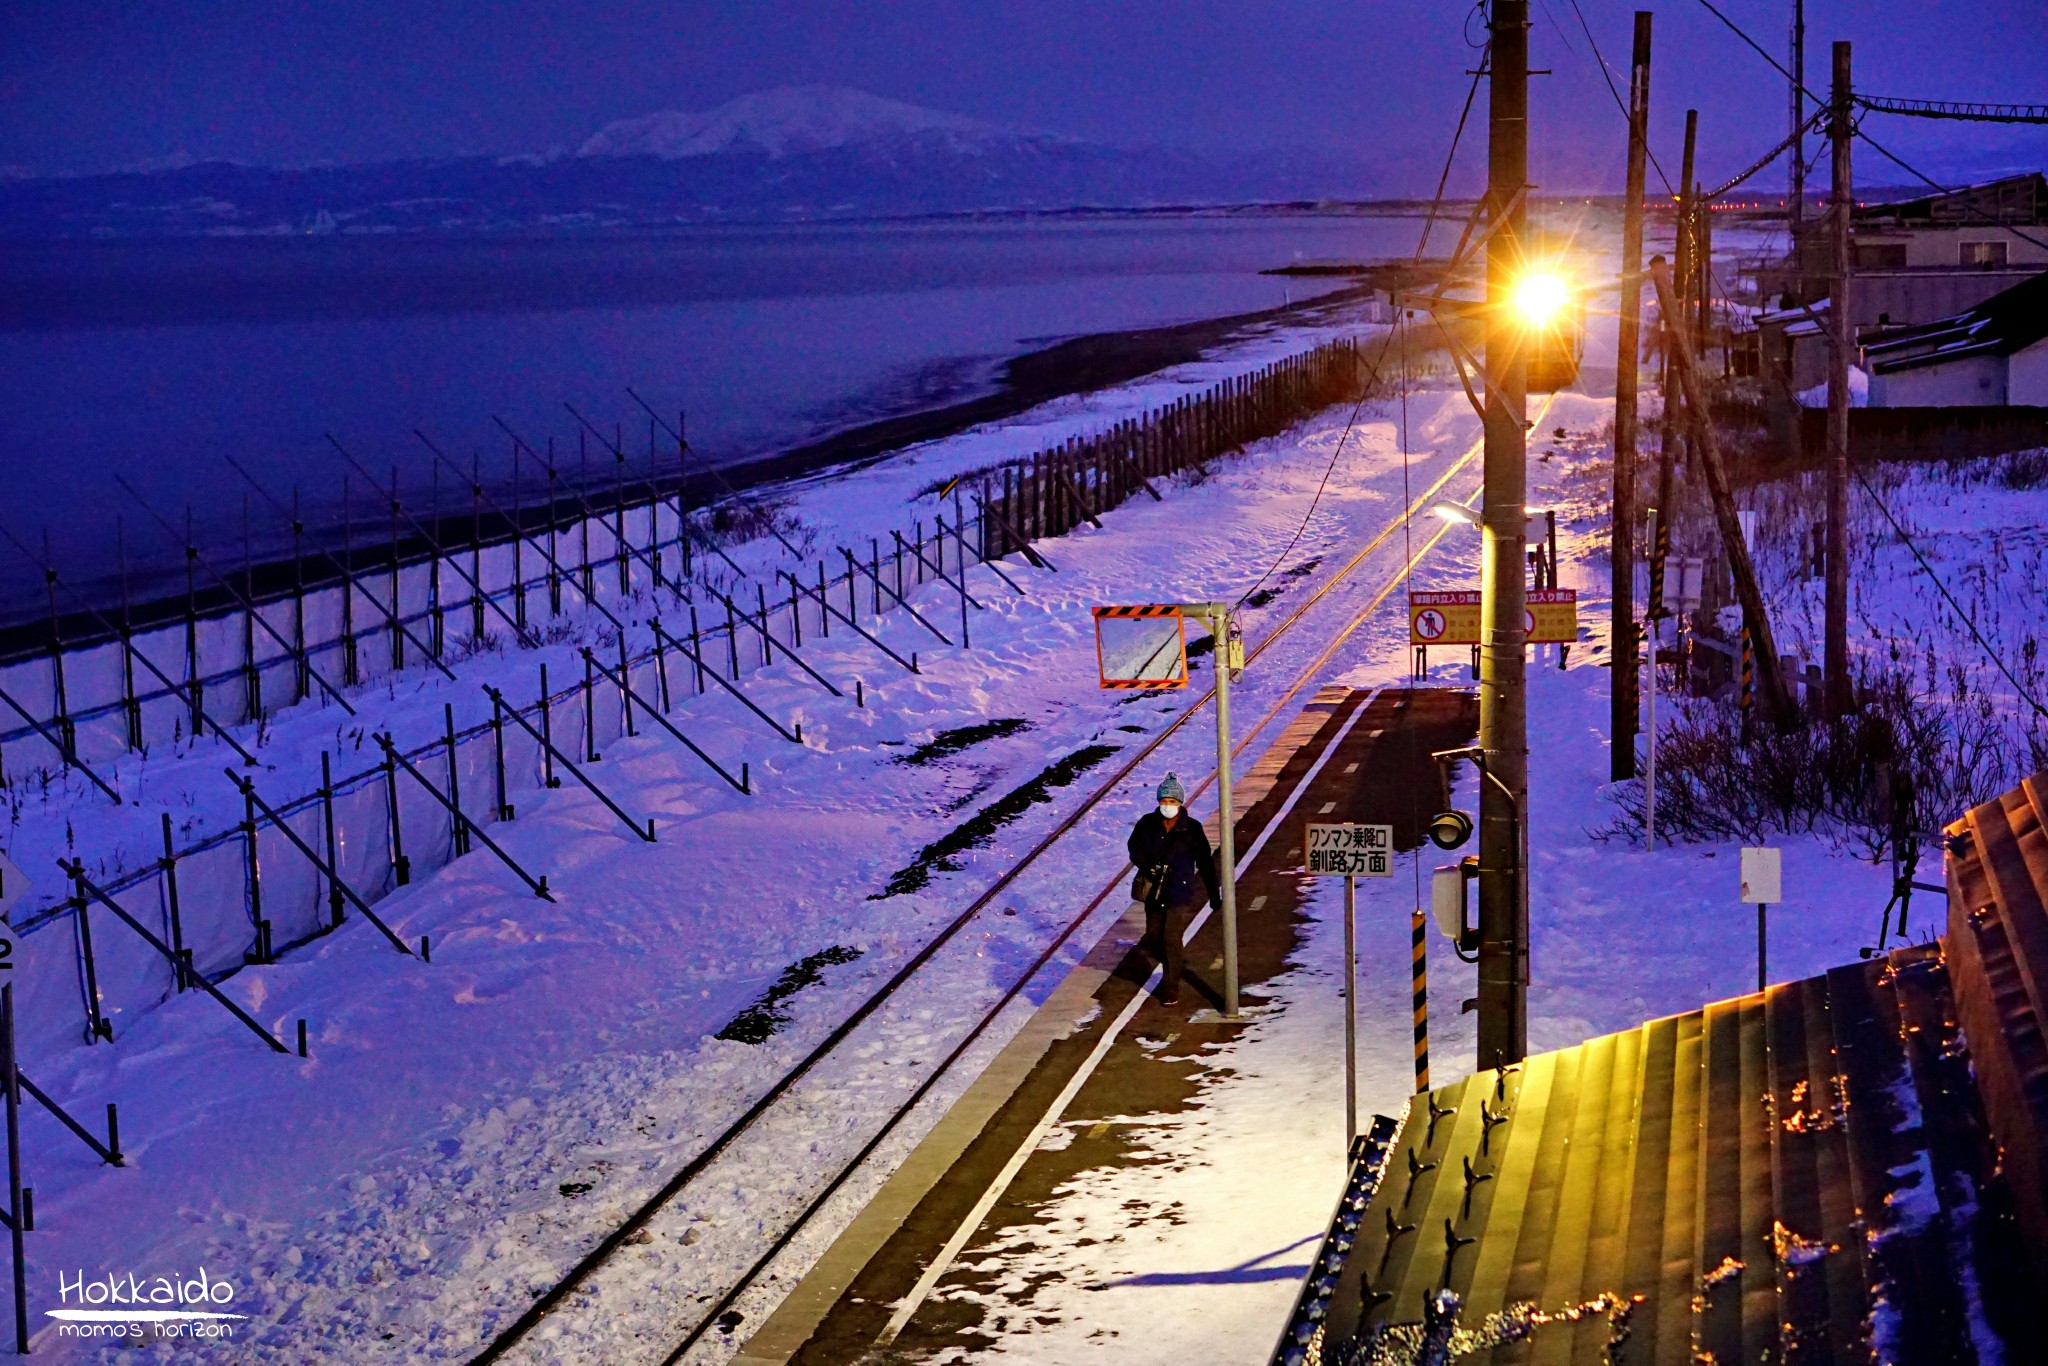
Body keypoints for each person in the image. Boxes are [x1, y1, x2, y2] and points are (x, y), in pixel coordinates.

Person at [1126, 772, 1221, 1005]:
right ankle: (1173, 965)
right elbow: (1134, 847)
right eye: (1165, 801)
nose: (1168, 806)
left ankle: (1171, 986)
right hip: (1153, 890)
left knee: (1171, 938)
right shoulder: (1147, 824)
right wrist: (1148, 865)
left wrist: (1213, 893)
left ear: (1181, 803)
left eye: (1173, 801)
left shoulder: (1192, 829)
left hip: (1178, 891)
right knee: (1154, 935)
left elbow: (1205, 862)